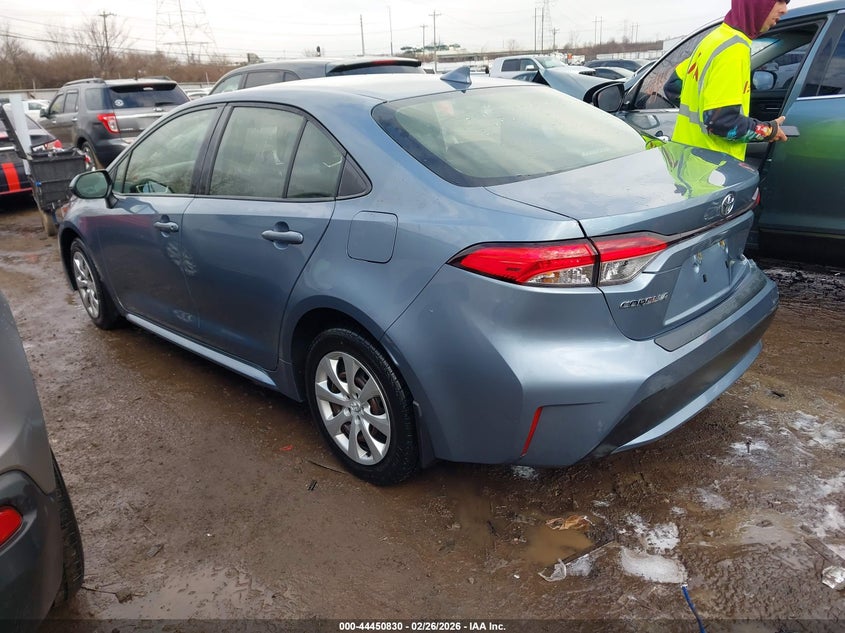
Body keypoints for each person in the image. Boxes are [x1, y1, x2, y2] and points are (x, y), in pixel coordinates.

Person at [665, 0, 790, 161]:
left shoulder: (715, 39)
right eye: (779, 1)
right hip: (713, 170)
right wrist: (767, 131)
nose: (784, 9)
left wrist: (702, 109)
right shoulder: (734, 50)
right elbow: (722, 122)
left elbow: (673, 87)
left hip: (687, 159)